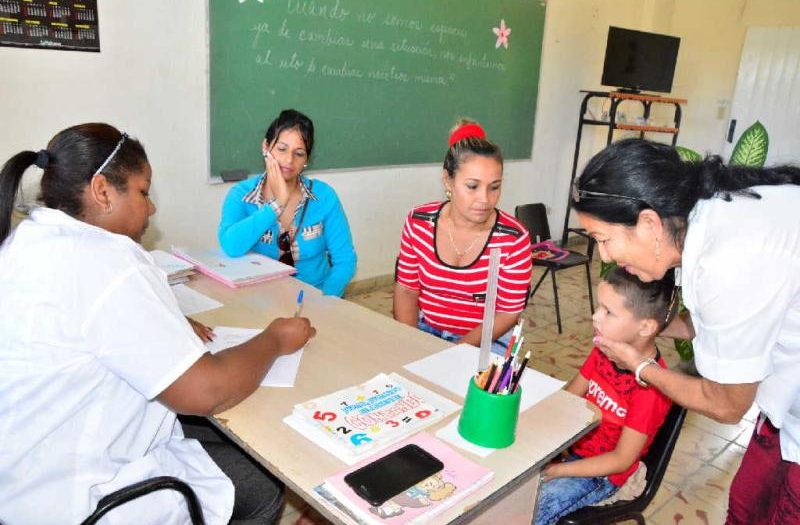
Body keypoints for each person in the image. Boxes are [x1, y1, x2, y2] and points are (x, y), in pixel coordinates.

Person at [0, 123, 315, 525]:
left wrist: (162, 318)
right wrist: (274, 338)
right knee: (260, 482)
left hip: (19, 478)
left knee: (216, 434)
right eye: (143, 192)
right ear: (101, 190)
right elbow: (208, 391)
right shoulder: (110, 260)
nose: (151, 208)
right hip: (74, 498)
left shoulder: (27, 240)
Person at [571, 138, 800, 525]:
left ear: (648, 223)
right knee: (746, 507)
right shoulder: (701, 222)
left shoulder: (728, 256)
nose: (606, 257)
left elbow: (726, 404)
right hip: (785, 408)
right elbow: (717, 322)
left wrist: (640, 364)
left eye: (604, 240)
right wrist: (645, 327)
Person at [534, 267, 675, 525]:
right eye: (599, 307)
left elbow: (621, 460)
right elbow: (568, 400)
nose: (595, 316)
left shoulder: (650, 388)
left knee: (528, 511)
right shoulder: (604, 350)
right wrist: (554, 443)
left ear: (645, 326)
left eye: (608, 312)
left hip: (602, 473)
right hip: (572, 451)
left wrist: (558, 470)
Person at [393, 120, 532, 354]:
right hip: (425, 330)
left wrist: (454, 352)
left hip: (486, 340)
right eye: (472, 186)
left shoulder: (513, 239)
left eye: (494, 187)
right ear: (448, 180)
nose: (485, 199)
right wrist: (411, 345)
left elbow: (507, 313)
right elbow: (406, 290)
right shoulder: (419, 222)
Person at [218, 109, 356, 297]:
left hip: (316, 296)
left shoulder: (324, 197)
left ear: (307, 159)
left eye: (299, 153)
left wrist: (324, 302)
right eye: (282, 149)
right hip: (261, 300)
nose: (289, 160)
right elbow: (231, 247)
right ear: (266, 148)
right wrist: (276, 204)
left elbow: (345, 260)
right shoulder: (242, 195)